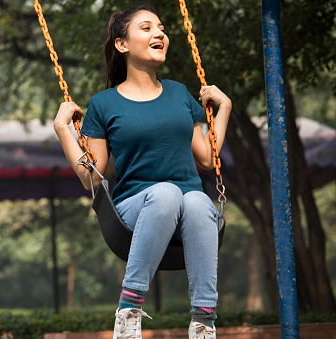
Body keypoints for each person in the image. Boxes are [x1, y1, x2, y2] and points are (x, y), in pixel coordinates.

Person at [54, 3, 231, 339]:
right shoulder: (105, 104)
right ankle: (129, 309)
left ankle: (204, 322)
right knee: (166, 193)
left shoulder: (179, 93)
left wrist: (225, 108)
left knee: (197, 201)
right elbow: (94, 176)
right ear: (123, 44)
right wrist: (64, 129)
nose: (159, 33)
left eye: (161, 28)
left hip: (187, 214)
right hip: (135, 212)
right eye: (147, 28)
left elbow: (208, 158)